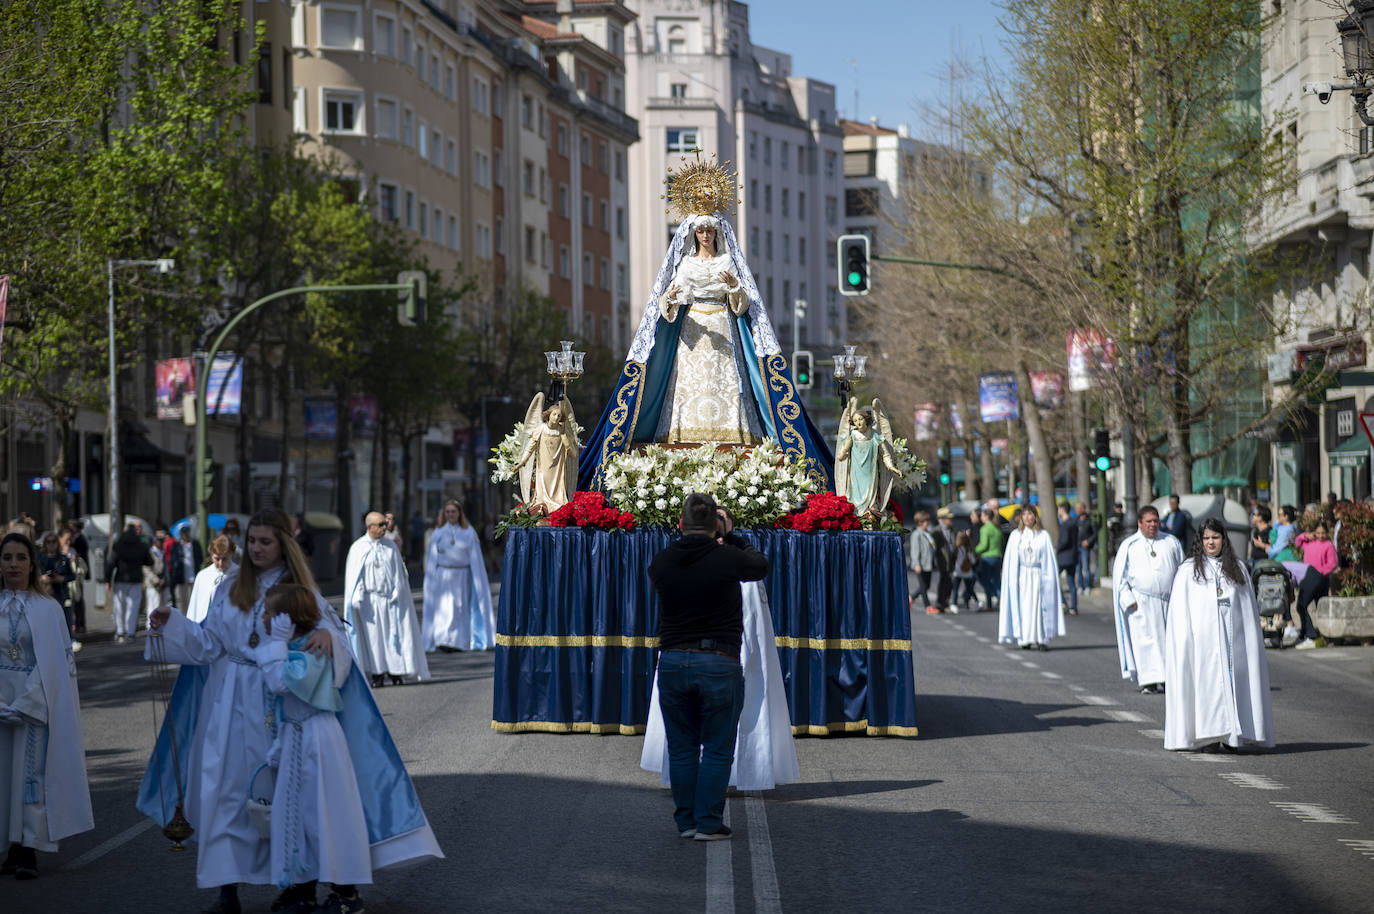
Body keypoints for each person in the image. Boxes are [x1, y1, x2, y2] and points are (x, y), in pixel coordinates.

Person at [139, 508, 442, 914]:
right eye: (253, 541)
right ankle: (227, 891)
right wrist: (172, 622)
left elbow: (334, 635)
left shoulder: (299, 590)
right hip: (229, 706)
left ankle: (298, 884)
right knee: (224, 796)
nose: (257, 548)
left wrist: (325, 634)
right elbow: (208, 643)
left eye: (267, 541)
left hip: (280, 708)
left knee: (288, 799)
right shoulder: (229, 587)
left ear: (284, 545)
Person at [577, 184, 832, 488]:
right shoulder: (685, 264)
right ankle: (683, 435)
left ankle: (734, 436)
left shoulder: (728, 263)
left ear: (717, 233)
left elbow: (742, 307)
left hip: (723, 328)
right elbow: (669, 307)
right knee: (688, 383)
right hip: (693, 330)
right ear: (693, 234)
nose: (706, 236)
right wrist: (669, 297)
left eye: (710, 231)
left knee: (727, 382)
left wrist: (735, 288)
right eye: (700, 231)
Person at [647, 494, 770, 841]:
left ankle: (686, 822)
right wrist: (731, 535)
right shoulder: (726, 557)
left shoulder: (663, 561)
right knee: (717, 747)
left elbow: (667, 565)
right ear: (714, 525)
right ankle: (709, 822)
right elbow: (759, 565)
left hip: (672, 660)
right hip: (718, 661)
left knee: (682, 746)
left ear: (681, 524)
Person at [256, 584, 371, 909]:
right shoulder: (293, 644)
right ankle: (302, 889)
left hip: (318, 740)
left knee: (326, 814)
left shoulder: (314, 650)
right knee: (296, 816)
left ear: (286, 619)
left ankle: (347, 894)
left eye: (269, 613)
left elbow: (281, 683)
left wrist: (276, 643)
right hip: (295, 738)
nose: (262, 618)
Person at [0, 532, 94, 880]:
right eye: (7, 557)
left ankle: (27, 848)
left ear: (32, 564)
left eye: (20, 558)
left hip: (33, 700)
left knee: (29, 777)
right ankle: (8, 847)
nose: (13, 565)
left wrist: (27, 701)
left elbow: (55, 662)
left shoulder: (47, 608)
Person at [1164, 518, 1274, 752]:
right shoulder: (1188, 570)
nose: (1211, 542)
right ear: (1200, 541)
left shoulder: (1238, 568)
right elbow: (1180, 613)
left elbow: (1247, 609)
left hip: (1233, 637)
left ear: (1223, 539)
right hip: (1203, 640)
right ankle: (1210, 736)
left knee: (1235, 683)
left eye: (1215, 537)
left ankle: (1233, 735)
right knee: (1209, 685)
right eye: (1206, 538)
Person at [344, 513, 428, 686]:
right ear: (370, 527)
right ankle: (377, 673)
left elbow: (399, 573)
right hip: (369, 600)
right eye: (381, 524)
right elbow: (355, 577)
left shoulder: (390, 546)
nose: (385, 527)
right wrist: (357, 596)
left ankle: (396, 671)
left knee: (392, 635)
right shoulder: (358, 548)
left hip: (390, 600)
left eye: (385, 524)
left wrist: (398, 591)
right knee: (374, 639)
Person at [1111, 506, 1183, 694]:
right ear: (1140, 523)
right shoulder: (1130, 546)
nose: (1153, 525)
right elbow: (1121, 578)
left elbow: (1182, 570)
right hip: (1141, 603)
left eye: (1155, 521)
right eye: (1148, 521)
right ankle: (1149, 681)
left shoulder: (1171, 542)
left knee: (1169, 642)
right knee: (1146, 642)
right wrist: (1128, 599)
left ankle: (1169, 679)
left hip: (1168, 602)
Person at [422, 500, 494, 652]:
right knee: (444, 607)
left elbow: (475, 558)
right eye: (447, 512)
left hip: (462, 575)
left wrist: (477, 579)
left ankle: (459, 641)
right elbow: (432, 558)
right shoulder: (438, 533)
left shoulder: (468, 532)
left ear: (459, 513)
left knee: (460, 607)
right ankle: (443, 639)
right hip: (443, 574)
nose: (451, 515)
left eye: (453, 512)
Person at [999, 505, 1065, 651]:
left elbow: (1048, 560)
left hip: (1038, 575)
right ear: (1021, 517)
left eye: (1030, 514)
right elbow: (1011, 561)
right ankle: (1025, 638)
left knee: (1040, 606)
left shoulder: (1043, 536)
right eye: (1025, 514)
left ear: (1035, 516)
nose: (1027, 517)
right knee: (1024, 607)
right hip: (1023, 576)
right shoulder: (1016, 535)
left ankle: (1042, 638)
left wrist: (1048, 579)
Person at [515, 396, 582, 514]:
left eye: (559, 416)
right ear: (548, 415)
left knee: (558, 496)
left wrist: (567, 443)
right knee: (542, 497)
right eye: (554, 415)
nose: (556, 418)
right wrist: (521, 462)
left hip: (558, 471)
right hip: (543, 471)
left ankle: (557, 507)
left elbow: (573, 455)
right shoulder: (541, 429)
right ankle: (543, 509)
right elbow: (529, 449)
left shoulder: (563, 432)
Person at [835, 399, 899, 518]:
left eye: (860, 419)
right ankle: (857, 515)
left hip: (871, 475)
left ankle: (870, 513)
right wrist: (845, 448)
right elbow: (840, 458)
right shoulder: (851, 436)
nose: (859, 422)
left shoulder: (875, 435)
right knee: (854, 500)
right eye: (855, 421)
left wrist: (891, 467)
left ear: (866, 419)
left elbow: (885, 454)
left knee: (871, 501)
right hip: (855, 475)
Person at [1286, 520, 1337, 650]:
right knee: (1302, 606)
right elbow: (1298, 541)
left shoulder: (1328, 545)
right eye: (1318, 533)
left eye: (1323, 533)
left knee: (1320, 608)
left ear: (1327, 533)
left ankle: (1322, 635)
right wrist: (1306, 536)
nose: (1320, 535)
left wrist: (1319, 573)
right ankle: (1306, 634)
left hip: (1321, 579)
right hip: (1307, 577)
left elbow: (1332, 564)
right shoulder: (1309, 543)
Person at [107, 522, 152, 644]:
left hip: (120, 579)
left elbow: (111, 563)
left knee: (119, 606)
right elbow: (149, 561)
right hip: (136, 579)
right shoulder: (141, 545)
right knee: (133, 607)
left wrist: (107, 580)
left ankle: (120, 632)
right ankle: (130, 632)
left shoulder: (118, 545)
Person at [37, 532, 77, 651]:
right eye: (48, 542)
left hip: (61, 593)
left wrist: (62, 579)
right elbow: (32, 576)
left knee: (63, 618)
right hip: (45, 593)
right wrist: (42, 578)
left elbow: (72, 576)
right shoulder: (40, 558)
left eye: (53, 541)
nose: (51, 544)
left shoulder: (63, 558)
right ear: (45, 544)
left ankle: (66, 641)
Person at [186, 535, 237, 624]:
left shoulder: (240, 575)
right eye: (217, 559)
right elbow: (194, 608)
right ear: (211, 555)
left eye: (225, 559)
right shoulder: (203, 576)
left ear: (231, 554)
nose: (221, 563)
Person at [167, 527, 204, 612]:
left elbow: (200, 558)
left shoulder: (195, 544)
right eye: (184, 533)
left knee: (192, 600)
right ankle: (182, 619)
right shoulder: (176, 545)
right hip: (181, 577)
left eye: (187, 532)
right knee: (181, 601)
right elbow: (172, 561)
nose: (186, 535)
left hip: (193, 576)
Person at [974, 507, 1004, 610]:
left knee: (986, 582)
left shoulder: (985, 529)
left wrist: (974, 550)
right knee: (997, 581)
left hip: (987, 557)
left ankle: (989, 604)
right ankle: (1002, 602)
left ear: (986, 517)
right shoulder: (997, 528)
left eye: (982, 515)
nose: (981, 517)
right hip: (997, 557)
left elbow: (984, 545)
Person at [61, 524, 88, 637]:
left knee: (71, 609)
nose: (68, 542)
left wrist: (76, 562)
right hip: (61, 587)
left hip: (72, 585)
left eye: (69, 539)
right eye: (66, 540)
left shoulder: (73, 550)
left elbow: (82, 568)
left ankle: (71, 634)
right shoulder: (59, 552)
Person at [908, 510, 935, 613]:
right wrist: (916, 564)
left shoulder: (927, 533)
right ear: (919, 522)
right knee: (923, 586)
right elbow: (915, 550)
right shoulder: (916, 534)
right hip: (921, 564)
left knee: (926, 585)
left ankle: (911, 598)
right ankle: (928, 606)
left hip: (928, 564)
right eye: (925, 521)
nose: (927, 522)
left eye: (927, 520)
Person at [932, 507, 958, 611]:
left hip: (951, 559)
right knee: (944, 580)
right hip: (942, 560)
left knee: (949, 581)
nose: (950, 521)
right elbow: (935, 548)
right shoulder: (937, 531)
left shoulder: (951, 529)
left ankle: (944, 601)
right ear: (942, 519)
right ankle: (941, 602)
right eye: (948, 519)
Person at [1056, 503, 1080, 615]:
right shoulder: (1073, 523)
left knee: (1055, 578)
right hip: (1073, 556)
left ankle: (1063, 602)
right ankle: (1073, 607)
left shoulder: (1065, 525)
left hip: (1064, 557)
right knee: (1071, 582)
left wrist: (1057, 548)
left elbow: (1064, 540)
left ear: (1062, 510)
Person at [952, 529, 979, 612]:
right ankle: (977, 601)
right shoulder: (968, 549)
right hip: (967, 572)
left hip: (958, 571)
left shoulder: (957, 549)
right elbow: (973, 561)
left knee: (955, 588)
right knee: (970, 588)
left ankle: (954, 604)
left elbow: (953, 559)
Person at [1075, 501, 1098, 592]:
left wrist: (1088, 541)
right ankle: (1080, 585)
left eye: (1078, 508)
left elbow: (1095, 533)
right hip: (1077, 546)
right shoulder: (1076, 520)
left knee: (1085, 567)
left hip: (1085, 547)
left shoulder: (1090, 520)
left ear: (1083, 509)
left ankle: (1088, 585)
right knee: (1078, 567)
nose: (1077, 510)